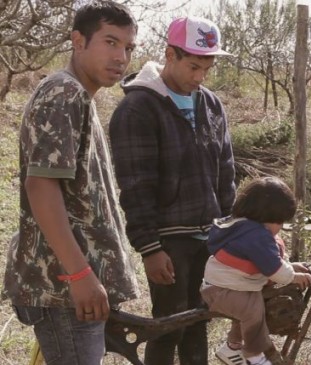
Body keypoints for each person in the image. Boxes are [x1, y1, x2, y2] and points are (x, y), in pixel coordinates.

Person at [1, 1, 139, 364]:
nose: (121, 56)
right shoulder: (64, 93)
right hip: (64, 289)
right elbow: (41, 188)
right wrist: (79, 274)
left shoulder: (80, 96)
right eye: (110, 42)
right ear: (78, 41)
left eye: (128, 47)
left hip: (71, 288)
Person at [108, 15, 236, 365]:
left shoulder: (210, 104)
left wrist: (228, 231)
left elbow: (226, 172)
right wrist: (150, 248)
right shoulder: (138, 109)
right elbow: (135, 186)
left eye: (206, 69)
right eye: (193, 66)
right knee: (169, 324)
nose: (199, 77)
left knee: (200, 319)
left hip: (209, 235)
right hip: (169, 240)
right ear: (170, 55)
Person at [200, 177, 311, 365]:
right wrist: (293, 276)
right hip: (222, 292)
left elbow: (263, 262)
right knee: (253, 309)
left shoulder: (241, 225)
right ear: (270, 217)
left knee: (249, 303)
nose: (280, 228)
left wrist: (291, 266)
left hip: (218, 287)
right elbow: (275, 270)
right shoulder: (258, 236)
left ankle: (232, 347)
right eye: (281, 222)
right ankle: (254, 355)